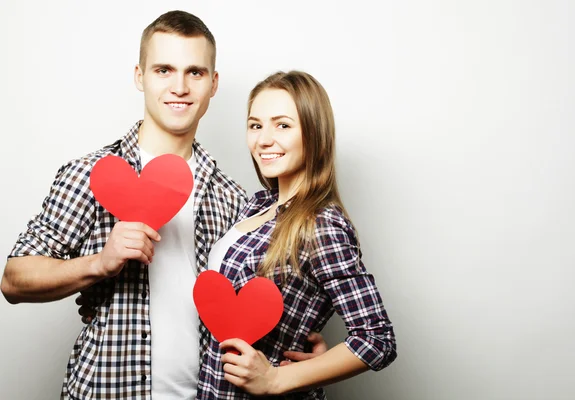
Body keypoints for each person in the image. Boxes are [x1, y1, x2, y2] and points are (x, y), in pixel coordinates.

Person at [1, 11, 324, 400]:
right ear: (140, 76)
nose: (180, 87)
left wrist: (304, 357)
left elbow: (255, 303)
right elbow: (13, 279)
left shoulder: (236, 199)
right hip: (108, 391)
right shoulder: (91, 174)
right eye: (163, 70)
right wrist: (98, 264)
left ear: (213, 83)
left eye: (195, 72)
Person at [194, 71, 397, 399]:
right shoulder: (256, 206)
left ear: (314, 134)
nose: (263, 139)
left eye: (283, 125)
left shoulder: (321, 225)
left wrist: (276, 379)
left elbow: (377, 340)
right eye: (256, 125)